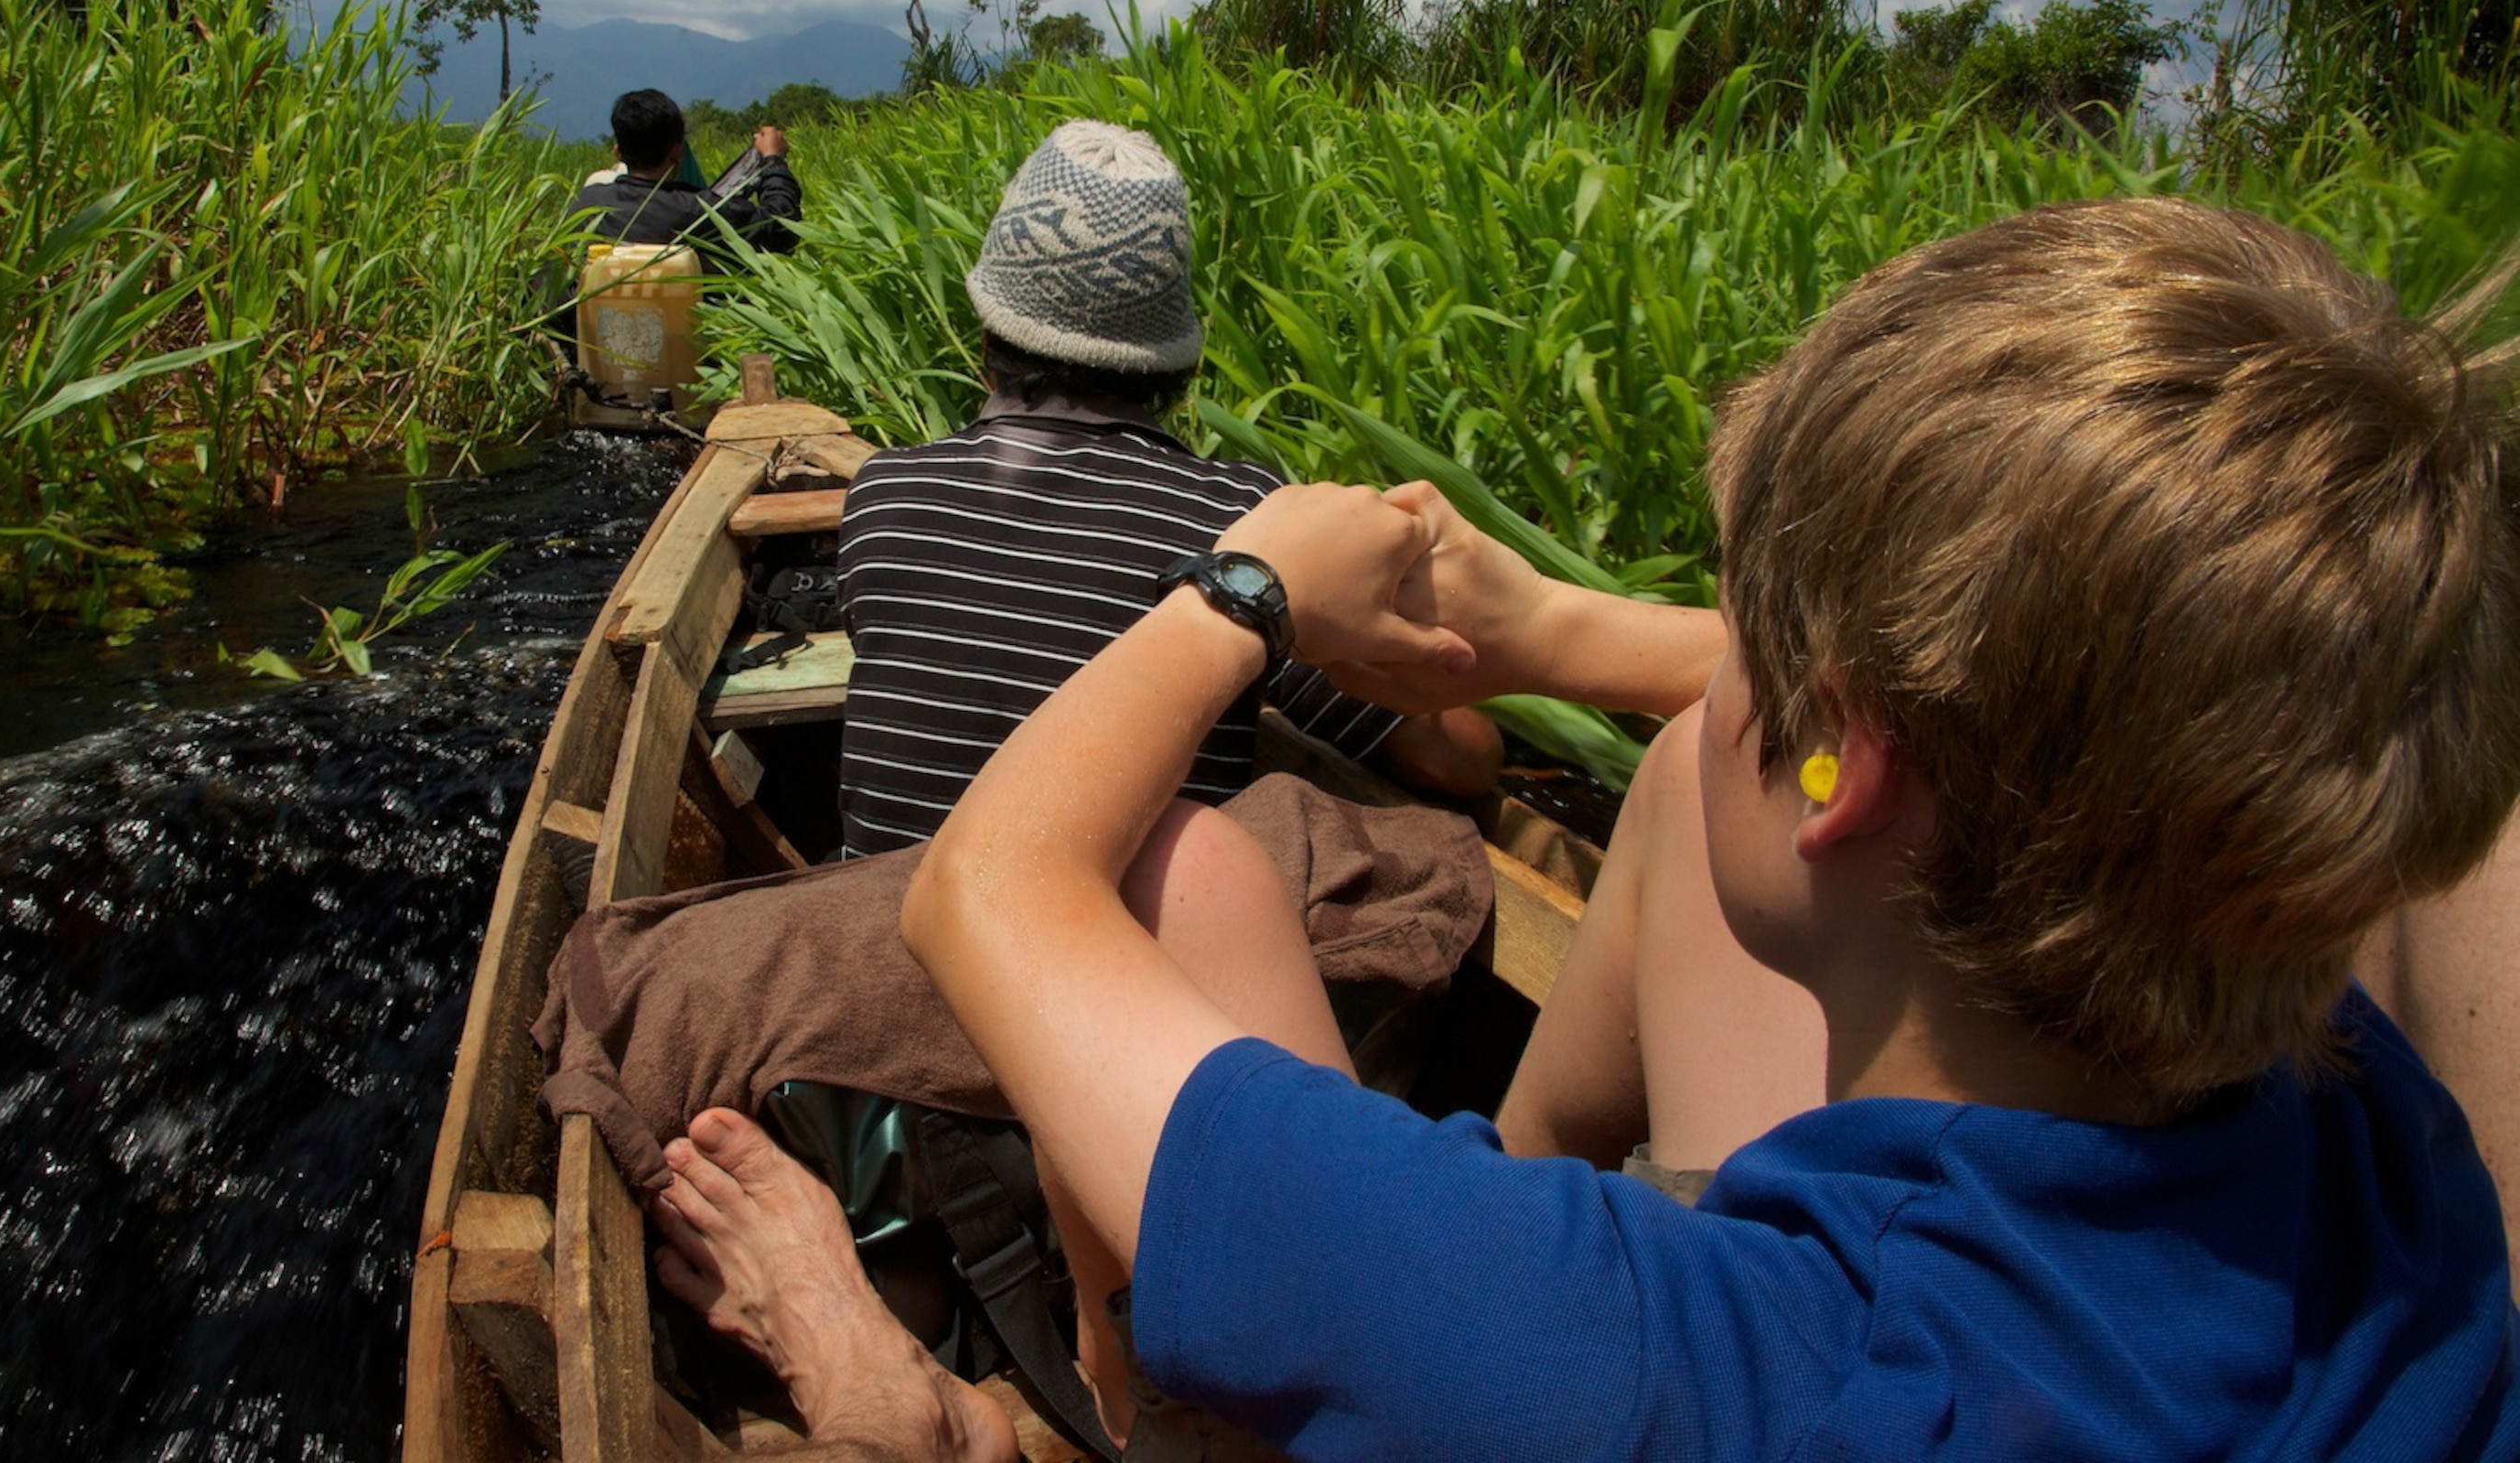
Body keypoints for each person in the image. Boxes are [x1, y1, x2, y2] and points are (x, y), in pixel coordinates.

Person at [652, 198, 2520, 1458]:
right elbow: (2030, 710)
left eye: (1742, 640)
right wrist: (1553, 635)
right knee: (1222, 868)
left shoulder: (1589, 1347)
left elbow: (989, 885)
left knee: (1172, 918)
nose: (1710, 672)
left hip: (1555, 1305)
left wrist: (1238, 592)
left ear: (1840, 769)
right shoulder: (2384, 1160)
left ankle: (948, 1414)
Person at [831, 120, 1656, 854]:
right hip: (1114, 982)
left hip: (876, 947)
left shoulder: (882, 492)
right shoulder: (1238, 529)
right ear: (1177, 366)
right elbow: (1459, 758)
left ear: (989, 328)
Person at [571, 86, 802, 255]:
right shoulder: (699, 212)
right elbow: (782, 228)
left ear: (618, 152)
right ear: (677, 152)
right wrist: (773, 160)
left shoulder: (586, 205)